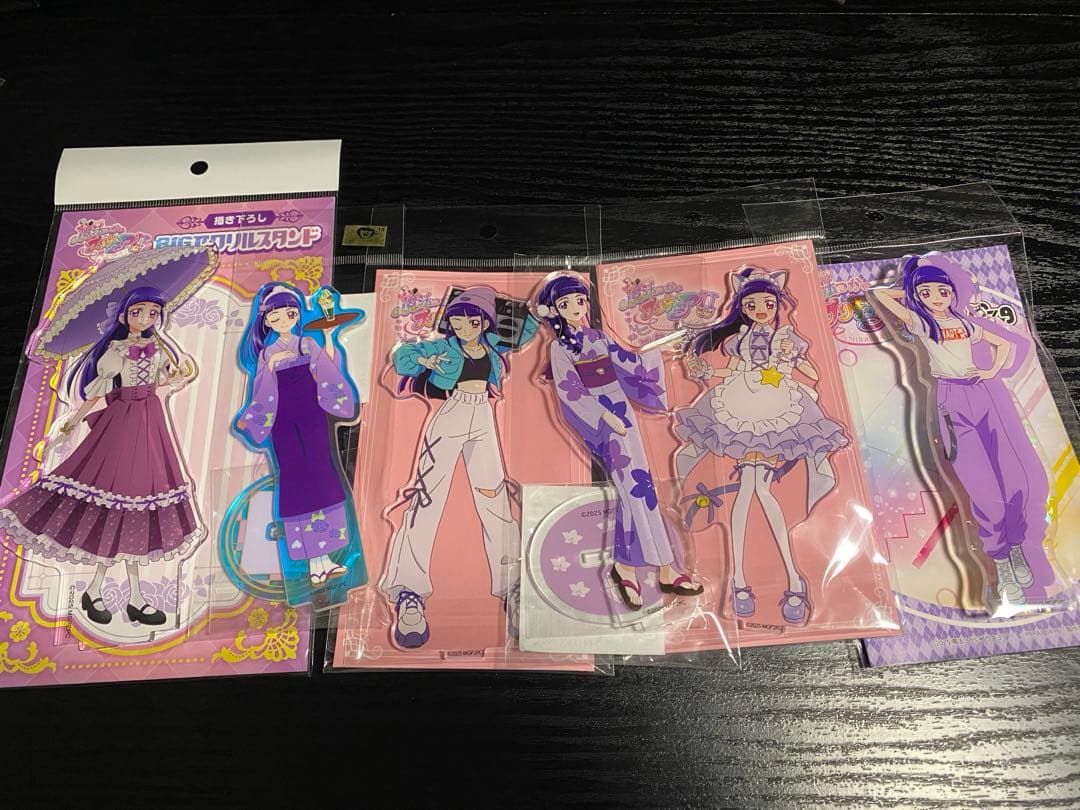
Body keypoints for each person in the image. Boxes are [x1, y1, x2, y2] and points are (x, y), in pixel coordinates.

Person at [0, 286, 202, 626]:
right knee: (118, 497)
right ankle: (105, 593)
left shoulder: (158, 346)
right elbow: (97, 392)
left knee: (141, 501)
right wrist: (70, 423)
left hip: (150, 421)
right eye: (138, 312)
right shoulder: (116, 350)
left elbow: (169, 377)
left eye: (153, 313)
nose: (146, 318)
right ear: (123, 316)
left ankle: (126, 596)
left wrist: (180, 372)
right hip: (122, 422)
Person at [674, 266, 848, 625]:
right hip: (741, 403)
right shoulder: (740, 337)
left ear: (777, 304)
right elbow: (734, 372)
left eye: (767, 303)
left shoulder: (785, 336)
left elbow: (813, 374)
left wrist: (791, 359)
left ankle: (763, 580)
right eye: (751, 305)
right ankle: (761, 579)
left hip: (775, 407)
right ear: (742, 307)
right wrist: (706, 373)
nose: (760, 310)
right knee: (750, 489)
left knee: (756, 489)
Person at [871, 254, 1050, 604]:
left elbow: (1006, 344)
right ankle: (1000, 563)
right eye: (926, 293)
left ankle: (1016, 548)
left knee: (1014, 479)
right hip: (951, 399)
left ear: (953, 293)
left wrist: (990, 371)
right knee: (981, 488)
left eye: (942, 291)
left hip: (983, 393)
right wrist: (909, 289)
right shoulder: (922, 323)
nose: (936, 298)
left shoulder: (965, 324)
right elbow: (879, 295)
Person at [536, 273, 703, 612]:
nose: (575, 308)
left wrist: (661, 351)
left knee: (640, 490)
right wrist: (602, 416)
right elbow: (569, 391)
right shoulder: (559, 347)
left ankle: (632, 566)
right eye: (565, 304)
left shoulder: (598, 337)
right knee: (633, 489)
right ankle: (663, 566)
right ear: (555, 310)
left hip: (622, 410)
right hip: (602, 418)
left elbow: (630, 362)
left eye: (580, 301)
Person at [383, 286, 528, 649]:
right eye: (457, 320)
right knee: (426, 501)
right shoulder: (444, 346)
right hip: (451, 414)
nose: (464, 326)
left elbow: (523, 332)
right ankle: (408, 590)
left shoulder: (492, 345)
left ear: (485, 322)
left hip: (483, 416)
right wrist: (425, 361)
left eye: (472, 321)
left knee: (495, 500)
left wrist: (541, 311)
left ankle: (513, 585)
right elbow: (402, 358)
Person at [235, 283, 363, 588]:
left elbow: (328, 372)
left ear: (297, 315)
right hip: (283, 422)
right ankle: (313, 563)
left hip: (312, 418)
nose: (283, 320)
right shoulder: (267, 354)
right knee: (296, 482)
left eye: (290, 314)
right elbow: (263, 392)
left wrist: (329, 337)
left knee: (322, 475)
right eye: (275, 316)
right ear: (266, 320)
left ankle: (324, 560)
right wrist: (268, 371)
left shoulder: (306, 344)